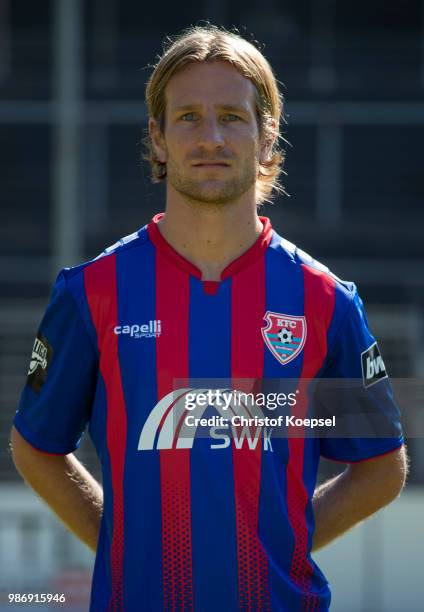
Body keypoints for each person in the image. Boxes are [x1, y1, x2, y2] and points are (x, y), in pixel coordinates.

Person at [11, 25, 407, 612]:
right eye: (189, 117)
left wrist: (278, 549)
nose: (211, 136)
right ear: (159, 137)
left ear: (267, 135)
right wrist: (127, 550)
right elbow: (35, 446)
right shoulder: (92, 292)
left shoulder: (324, 300)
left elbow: (382, 467)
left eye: (232, 116)